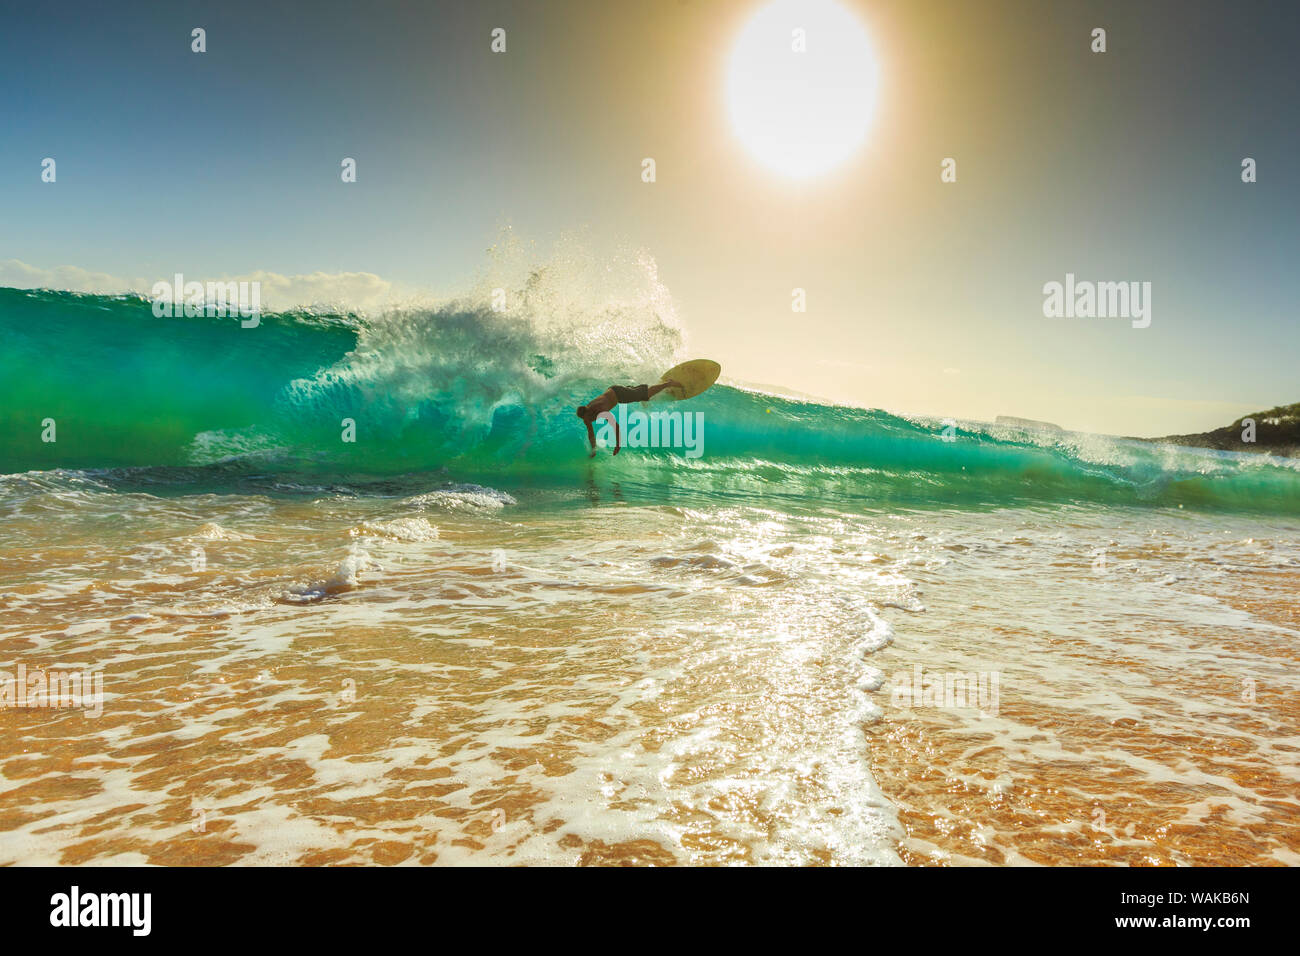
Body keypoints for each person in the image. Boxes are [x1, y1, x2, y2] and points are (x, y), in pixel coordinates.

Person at [575, 381, 680, 456]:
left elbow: (616, 426)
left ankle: (668, 384)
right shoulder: (587, 415)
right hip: (613, 390)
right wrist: (593, 449)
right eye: (587, 420)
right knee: (637, 393)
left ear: (588, 412)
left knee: (644, 395)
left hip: (619, 394)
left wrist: (618, 445)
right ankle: (645, 389)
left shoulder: (601, 410)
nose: (589, 421)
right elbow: (591, 433)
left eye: (589, 418)